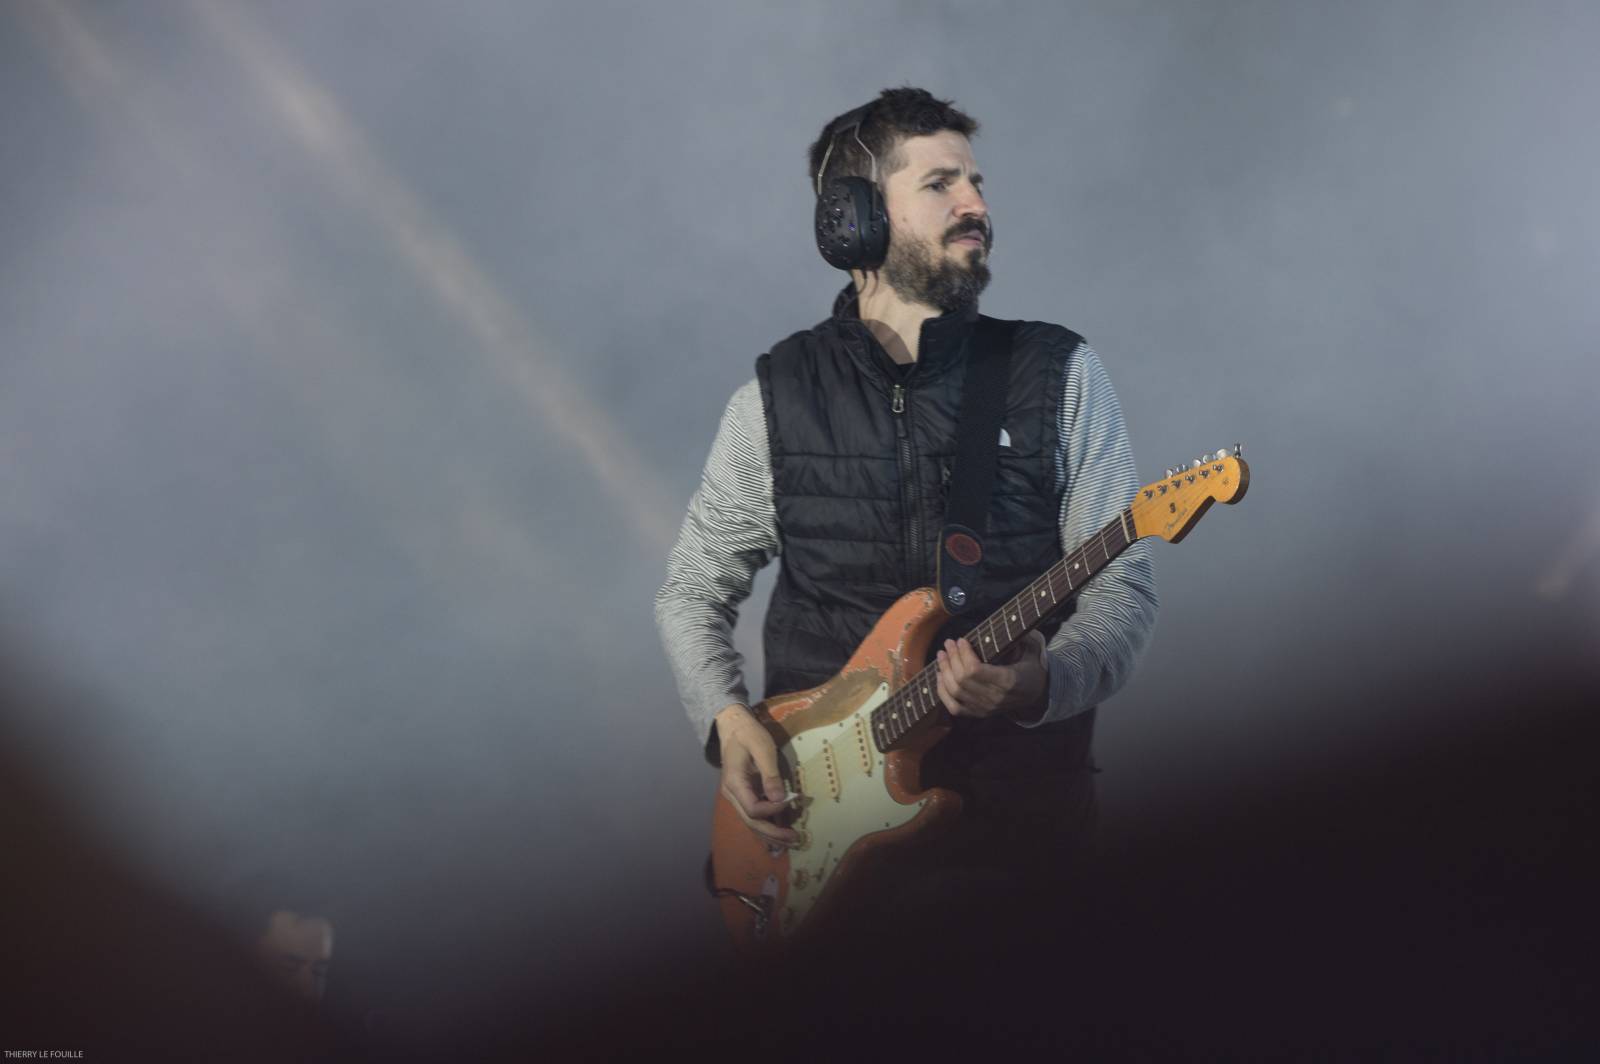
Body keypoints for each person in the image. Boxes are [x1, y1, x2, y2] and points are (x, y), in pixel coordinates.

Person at [655, 87, 1158, 928]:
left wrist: (1041, 682)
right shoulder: (776, 398)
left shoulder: (1058, 371)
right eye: (940, 183)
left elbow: (1122, 589)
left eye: (976, 182)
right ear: (851, 220)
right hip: (819, 857)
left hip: (1022, 848)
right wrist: (727, 720)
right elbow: (691, 592)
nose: (976, 204)